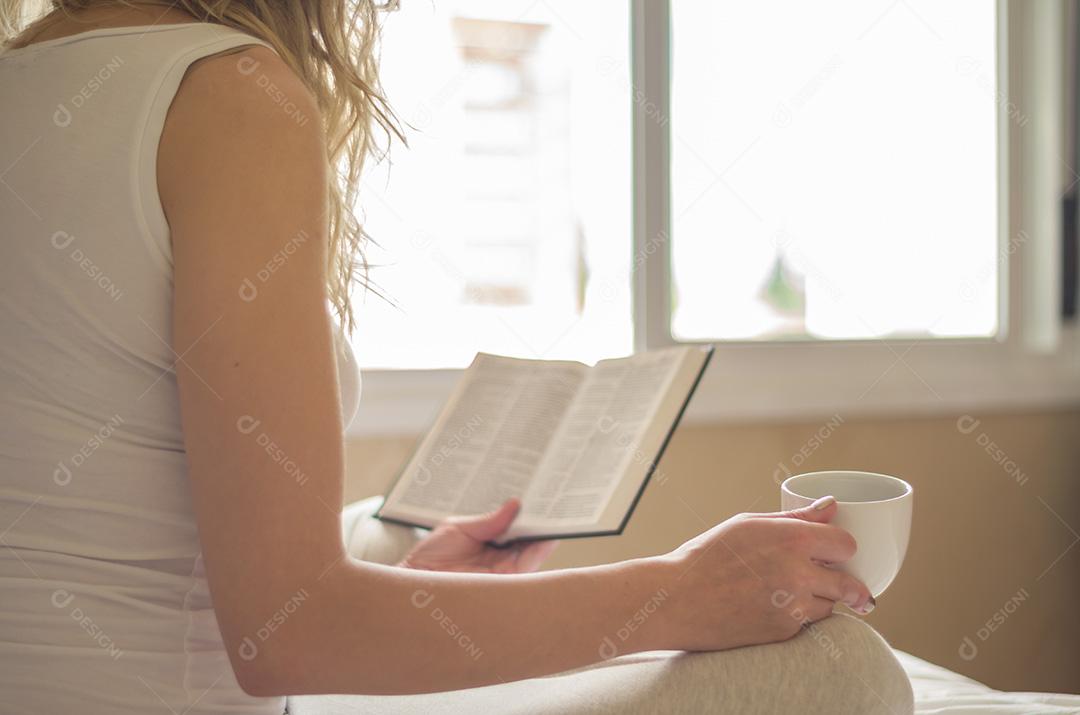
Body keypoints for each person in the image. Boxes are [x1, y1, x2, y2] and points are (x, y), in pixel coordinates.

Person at [0, 2, 911, 713]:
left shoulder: (28, 75)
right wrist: (679, 591)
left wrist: (409, 598)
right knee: (845, 674)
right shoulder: (225, 90)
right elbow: (288, 633)